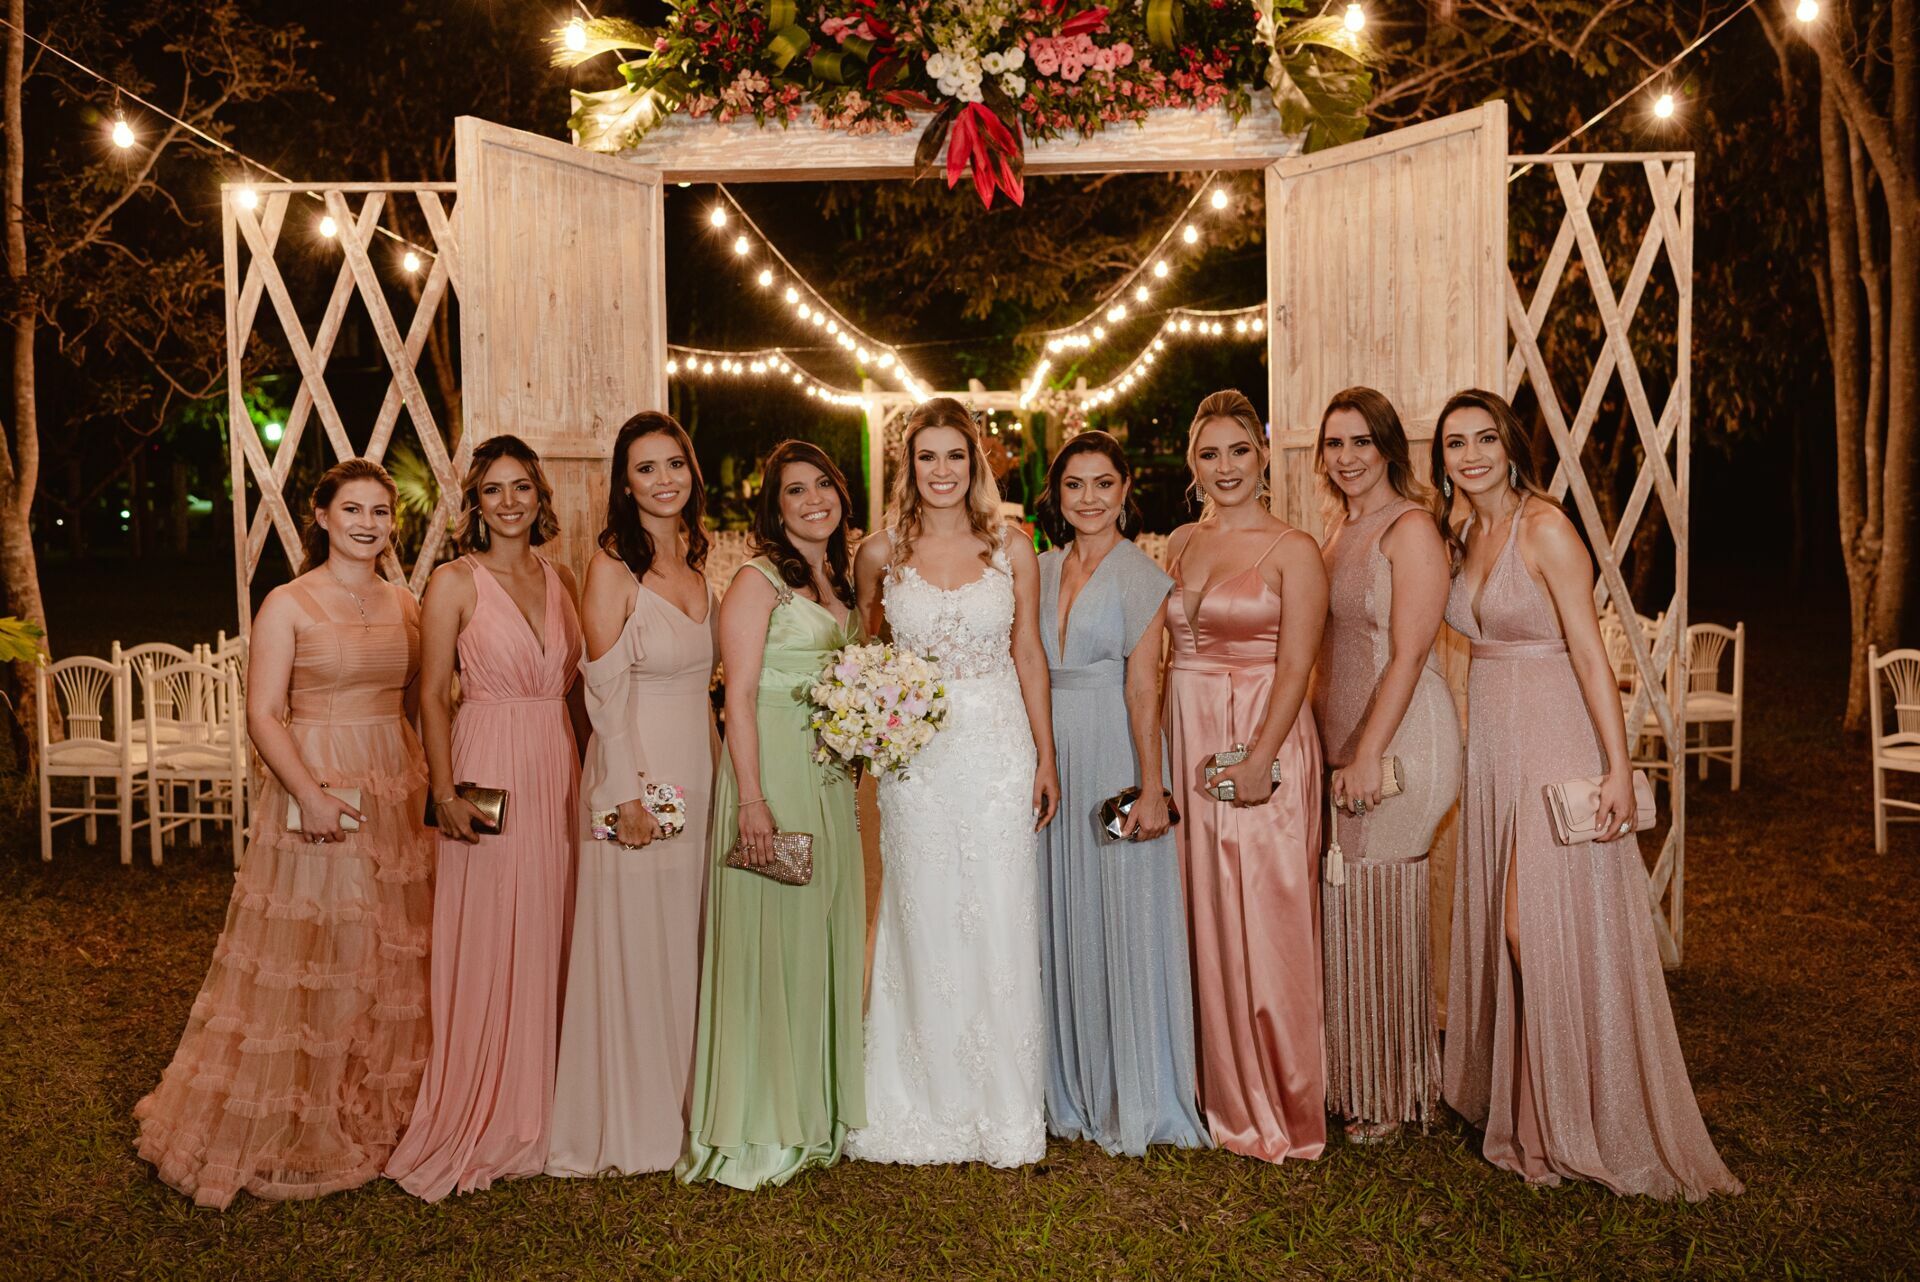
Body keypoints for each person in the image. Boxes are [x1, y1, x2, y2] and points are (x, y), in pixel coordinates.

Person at [1433, 388, 1740, 1200]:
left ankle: (1565, 1116)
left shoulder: (1545, 528)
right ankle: (1528, 1105)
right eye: (1456, 443)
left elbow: (1589, 654)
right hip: (1493, 744)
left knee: (1530, 928)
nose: (1471, 455)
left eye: (1485, 439)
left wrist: (1616, 765)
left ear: (1511, 445)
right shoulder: (1462, 532)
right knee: (1514, 931)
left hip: (1553, 737)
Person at [134, 459, 434, 1208]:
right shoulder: (287, 602)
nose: (367, 523)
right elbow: (263, 713)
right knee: (328, 943)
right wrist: (310, 793)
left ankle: (379, 1101)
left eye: (380, 512)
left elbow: (415, 699)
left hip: (394, 780)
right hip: (319, 781)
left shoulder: (407, 603)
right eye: (352, 509)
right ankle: (309, 1111)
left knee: (391, 944)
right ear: (322, 516)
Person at [847, 398, 1060, 1169]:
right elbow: (866, 651)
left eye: (955, 455)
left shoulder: (1012, 548)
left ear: (976, 462)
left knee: (999, 911)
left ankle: (1002, 1107)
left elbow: (1028, 652)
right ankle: (918, 1098)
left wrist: (1046, 756)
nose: (942, 471)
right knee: (923, 911)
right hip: (918, 761)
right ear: (909, 466)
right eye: (927, 456)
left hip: (998, 748)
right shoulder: (880, 552)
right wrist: (868, 723)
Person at [386, 436, 584, 1200]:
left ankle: (550, 1095)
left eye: (521, 487)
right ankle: (483, 1103)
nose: (509, 502)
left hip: (554, 762)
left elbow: (577, 692)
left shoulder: (562, 578)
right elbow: (432, 695)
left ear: (539, 497)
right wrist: (443, 793)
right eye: (493, 489)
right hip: (486, 762)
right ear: (475, 503)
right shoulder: (453, 582)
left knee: (552, 918)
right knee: (492, 923)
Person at [676, 441, 866, 1189]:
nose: (813, 499)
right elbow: (741, 696)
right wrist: (752, 799)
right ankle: (765, 1118)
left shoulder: (839, 578)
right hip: (775, 769)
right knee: (776, 938)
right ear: (775, 506)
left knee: (821, 931)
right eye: (795, 490)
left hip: (830, 774)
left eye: (823, 485)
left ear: (840, 493)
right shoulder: (758, 580)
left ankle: (815, 1105)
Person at [546, 413, 717, 1178]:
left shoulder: (697, 561)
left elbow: (704, 690)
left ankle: (686, 1103)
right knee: (637, 942)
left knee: (685, 937)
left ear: (692, 472)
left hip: (697, 775)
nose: (663, 480)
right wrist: (625, 798)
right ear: (624, 483)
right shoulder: (613, 567)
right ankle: (634, 1118)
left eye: (674, 464)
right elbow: (603, 694)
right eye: (646, 469)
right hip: (637, 780)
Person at [1162, 389, 1328, 1164]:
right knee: (1198, 906)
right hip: (1186, 732)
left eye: (1238, 450)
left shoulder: (1295, 549)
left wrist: (1261, 759)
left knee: (1268, 914)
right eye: (1209, 453)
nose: (1225, 467)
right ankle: (1212, 1088)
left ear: (1263, 456)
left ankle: (1282, 1101)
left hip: (1262, 733)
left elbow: (1298, 665)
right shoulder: (1178, 542)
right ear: (1192, 463)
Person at [1034, 431, 1207, 1156]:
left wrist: (1152, 786)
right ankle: (1061, 1081)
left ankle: (1131, 1087)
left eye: (1103, 483)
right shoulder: (1039, 568)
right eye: (1075, 484)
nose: (1089, 498)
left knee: (1121, 906)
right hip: (1046, 749)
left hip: (1111, 745)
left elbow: (1145, 687)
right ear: (1057, 493)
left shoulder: (1142, 575)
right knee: (1057, 905)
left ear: (1125, 489)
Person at [1311, 388, 1462, 1143]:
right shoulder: (1339, 530)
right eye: (1335, 443)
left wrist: (1368, 752)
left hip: (1402, 742)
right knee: (1352, 912)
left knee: (1383, 912)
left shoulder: (1411, 529)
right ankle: (1356, 1078)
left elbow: (1408, 653)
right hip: (1345, 741)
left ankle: (1393, 1092)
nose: (1347, 457)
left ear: (1389, 448)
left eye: (1361, 442)